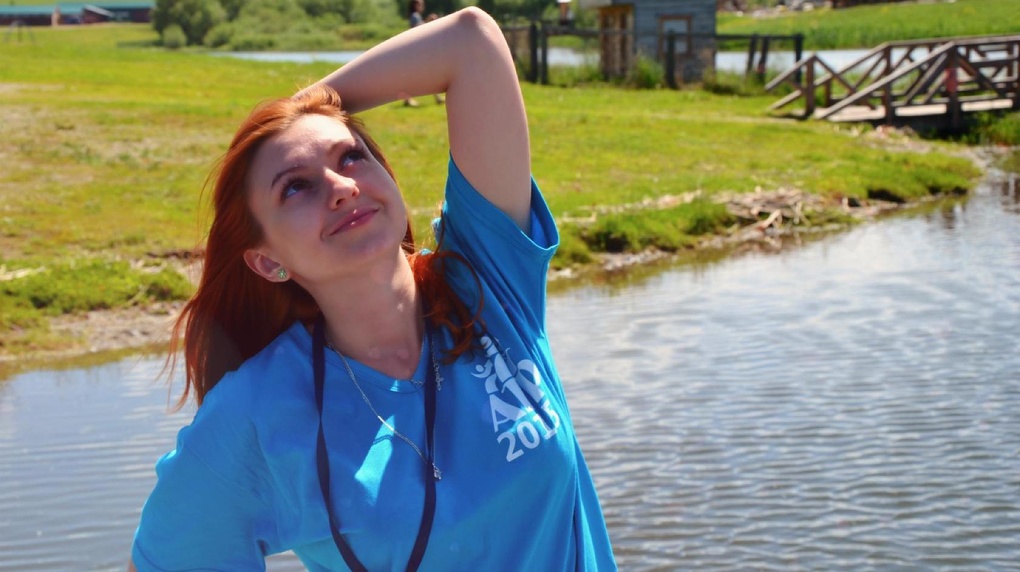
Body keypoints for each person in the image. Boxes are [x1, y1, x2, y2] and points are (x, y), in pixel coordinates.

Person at [128, 7, 616, 571]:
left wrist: (303, 110)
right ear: (267, 261)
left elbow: (470, 44)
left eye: (351, 157)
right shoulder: (258, 414)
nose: (341, 187)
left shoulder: (486, 284)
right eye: (296, 187)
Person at [403, 0, 444, 107]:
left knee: (427, 74)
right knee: (420, 75)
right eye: (421, 4)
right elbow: (418, 30)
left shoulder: (415, 16)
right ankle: (407, 99)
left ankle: (436, 98)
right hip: (416, 52)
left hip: (416, 51)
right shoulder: (415, 16)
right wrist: (429, 20)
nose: (422, 6)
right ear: (416, 5)